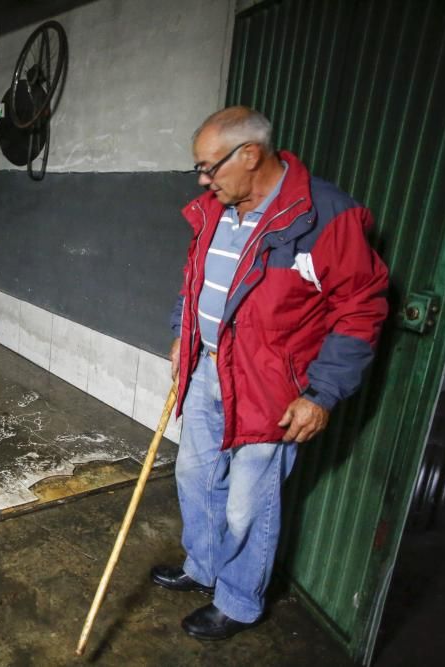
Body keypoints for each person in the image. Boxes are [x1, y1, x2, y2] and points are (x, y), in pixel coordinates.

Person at [153, 106, 389, 640]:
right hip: (206, 368)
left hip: (271, 389)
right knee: (194, 477)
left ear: (250, 154)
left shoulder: (326, 216)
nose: (202, 179)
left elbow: (361, 310)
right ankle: (203, 566)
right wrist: (182, 330)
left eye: (208, 167)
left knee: (247, 503)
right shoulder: (217, 209)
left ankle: (237, 601)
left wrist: (322, 393)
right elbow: (197, 282)